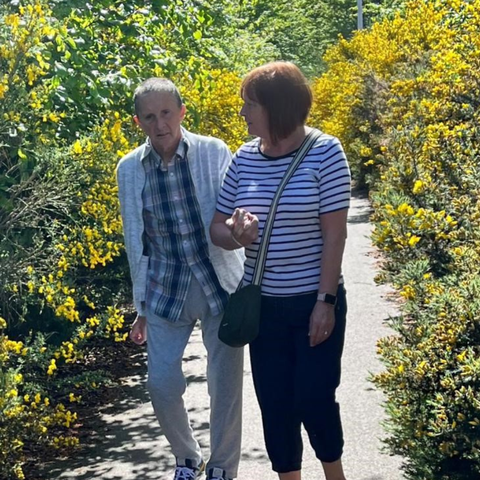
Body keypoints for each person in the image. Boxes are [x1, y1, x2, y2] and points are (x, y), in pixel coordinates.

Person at [210, 62, 351, 480]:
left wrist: (325, 302)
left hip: (314, 302)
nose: (242, 114)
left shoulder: (326, 151)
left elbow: (335, 235)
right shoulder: (243, 158)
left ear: (277, 107)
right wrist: (236, 234)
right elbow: (217, 228)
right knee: (275, 403)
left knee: (315, 398)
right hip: (264, 307)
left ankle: (335, 474)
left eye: (249, 105)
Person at [116, 77, 245, 480]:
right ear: (139, 122)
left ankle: (222, 468)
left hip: (218, 282)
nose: (160, 124)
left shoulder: (212, 151)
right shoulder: (129, 169)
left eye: (166, 113)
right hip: (164, 287)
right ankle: (187, 457)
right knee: (161, 384)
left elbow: (233, 214)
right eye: (150, 117)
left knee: (224, 387)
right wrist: (139, 308)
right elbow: (134, 239)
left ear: (182, 113)